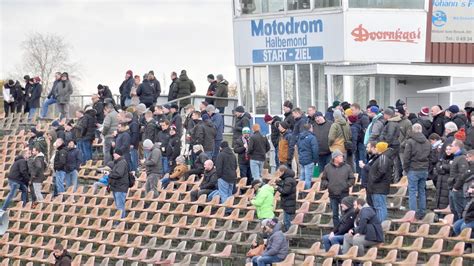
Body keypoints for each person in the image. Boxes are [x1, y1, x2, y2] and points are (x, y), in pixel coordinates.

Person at [403, 124, 431, 219]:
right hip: (424, 169)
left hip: (413, 168)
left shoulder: (410, 142)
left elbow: (406, 157)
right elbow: (430, 156)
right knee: (422, 191)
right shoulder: (427, 142)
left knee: (412, 191)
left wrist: (406, 168)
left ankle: (413, 213)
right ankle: (422, 211)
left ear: (413, 130)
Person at [321, 150, 355, 227]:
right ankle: (336, 229)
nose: (342, 157)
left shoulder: (347, 167)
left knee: (345, 214)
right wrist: (328, 185)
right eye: (340, 156)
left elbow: (352, 179)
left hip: (344, 194)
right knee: (335, 214)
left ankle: (345, 228)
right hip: (332, 194)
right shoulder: (327, 167)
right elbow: (324, 179)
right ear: (335, 158)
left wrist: (346, 185)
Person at [366, 142, 393, 222]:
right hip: (378, 187)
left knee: (380, 208)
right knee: (379, 207)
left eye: (377, 147)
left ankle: (381, 226)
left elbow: (382, 171)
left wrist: (374, 179)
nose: (376, 149)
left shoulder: (383, 157)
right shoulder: (381, 157)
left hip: (379, 188)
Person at [449, 140, 469, 221]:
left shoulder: (462, 158)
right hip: (453, 187)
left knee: (459, 211)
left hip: (458, 189)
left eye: (452, 146)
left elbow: (463, 174)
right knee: (454, 210)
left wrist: (456, 187)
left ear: (457, 147)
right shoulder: (456, 157)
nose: (450, 147)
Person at [273, 165, 297, 232]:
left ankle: (289, 236)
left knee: (287, 221)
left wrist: (277, 188)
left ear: (283, 171)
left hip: (288, 204)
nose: (278, 174)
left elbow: (285, 191)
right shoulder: (288, 179)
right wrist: (278, 183)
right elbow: (285, 186)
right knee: (286, 221)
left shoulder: (288, 180)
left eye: (279, 172)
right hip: (287, 203)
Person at [109, 149, 129, 219]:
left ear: (118, 154)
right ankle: (120, 221)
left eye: (114, 153)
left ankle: (120, 223)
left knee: (120, 207)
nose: (113, 155)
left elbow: (119, 174)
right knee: (119, 206)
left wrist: (110, 174)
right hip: (116, 187)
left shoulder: (122, 162)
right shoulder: (118, 162)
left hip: (120, 188)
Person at [297, 124, 319, 190]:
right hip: (309, 160)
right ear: (310, 128)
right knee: (308, 178)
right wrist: (315, 160)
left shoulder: (300, 137)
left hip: (302, 159)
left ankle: (299, 191)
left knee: (302, 177)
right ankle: (306, 192)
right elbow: (315, 150)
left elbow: (298, 148)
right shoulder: (312, 137)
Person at [435, 144, 453, 210]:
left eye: (449, 149)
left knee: (445, 198)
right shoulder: (442, 158)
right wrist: (443, 169)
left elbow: (450, 168)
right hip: (440, 181)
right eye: (447, 149)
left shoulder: (454, 158)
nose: (448, 151)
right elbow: (438, 167)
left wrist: (443, 167)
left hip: (447, 181)